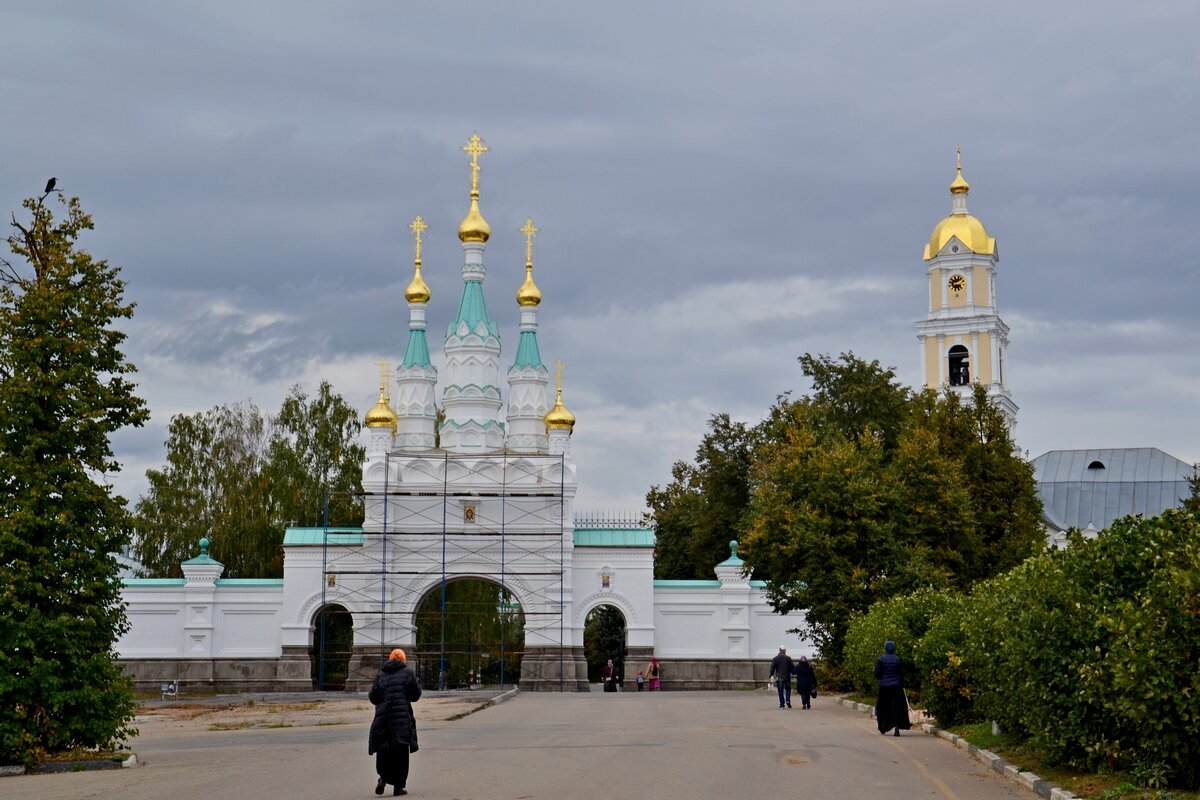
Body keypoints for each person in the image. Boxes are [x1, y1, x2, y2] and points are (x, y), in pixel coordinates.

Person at [369, 648, 422, 796]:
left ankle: (383, 777)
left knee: (384, 749)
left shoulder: (380, 674)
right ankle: (398, 787)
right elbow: (416, 695)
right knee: (401, 754)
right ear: (404, 659)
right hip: (401, 718)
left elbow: (373, 697)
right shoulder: (408, 673)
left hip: (383, 718)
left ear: (390, 659)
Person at [874, 640, 911, 736]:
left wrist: (882, 677)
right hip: (896, 687)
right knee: (897, 707)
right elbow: (901, 673)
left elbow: (877, 674)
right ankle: (897, 728)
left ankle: (882, 727)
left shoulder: (881, 659)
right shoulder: (897, 659)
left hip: (884, 687)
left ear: (885, 648)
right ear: (894, 649)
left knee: (883, 707)